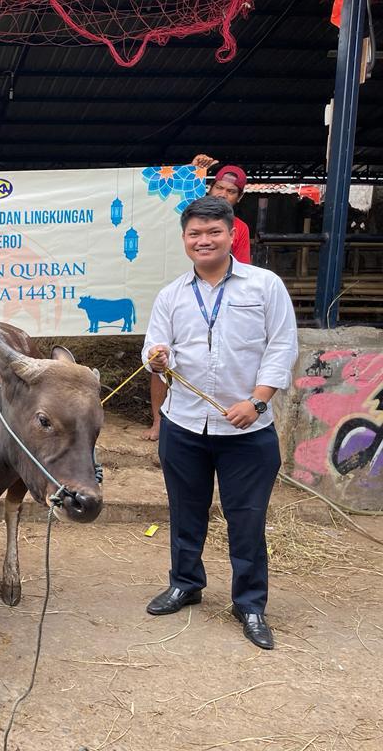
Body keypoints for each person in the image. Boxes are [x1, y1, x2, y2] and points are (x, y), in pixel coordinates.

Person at [142, 196, 298, 650]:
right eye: (195, 234)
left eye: (213, 232)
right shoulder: (172, 293)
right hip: (184, 425)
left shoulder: (264, 286)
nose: (203, 240)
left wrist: (258, 401)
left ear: (231, 235)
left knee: (246, 520)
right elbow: (154, 345)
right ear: (185, 239)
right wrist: (156, 358)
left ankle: (249, 604)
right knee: (185, 513)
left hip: (247, 430)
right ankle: (185, 584)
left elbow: (282, 346)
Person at [142, 156, 253, 441]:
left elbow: (241, 270)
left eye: (231, 192)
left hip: (217, 304)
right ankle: (159, 421)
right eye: (219, 188)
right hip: (183, 299)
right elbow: (172, 196)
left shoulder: (240, 231)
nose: (223, 194)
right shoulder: (190, 209)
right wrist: (192, 169)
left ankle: (218, 419)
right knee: (159, 356)